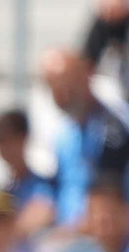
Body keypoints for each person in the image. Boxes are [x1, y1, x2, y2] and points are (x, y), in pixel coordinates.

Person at [42, 48, 129, 228]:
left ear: (87, 72)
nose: (63, 93)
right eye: (54, 86)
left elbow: (109, 204)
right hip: (65, 231)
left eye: (68, 82)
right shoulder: (62, 134)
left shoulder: (115, 128)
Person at [0, 109, 56, 238]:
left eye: (10, 141)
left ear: (24, 139)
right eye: (0, 143)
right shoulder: (6, 189)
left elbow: (42, 215)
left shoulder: (41, 186)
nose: (5, 149)